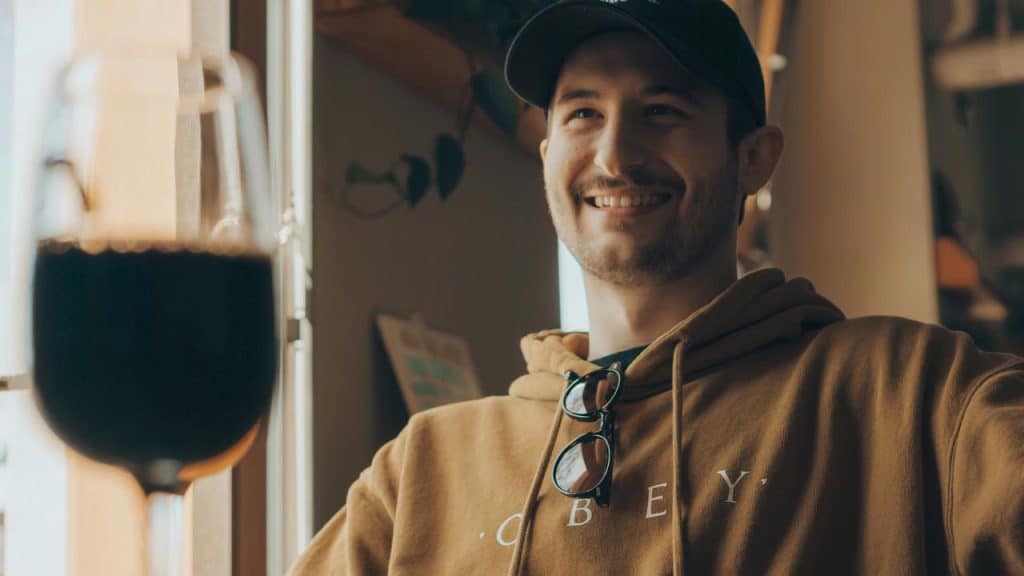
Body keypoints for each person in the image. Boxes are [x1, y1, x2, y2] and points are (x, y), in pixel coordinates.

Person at [289, 1, 1024, 574]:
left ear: (753, 160)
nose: (615, 153)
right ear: (548, 158)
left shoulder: (912, 396)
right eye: (583, 114)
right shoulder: (422, 467)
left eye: (662, 112)